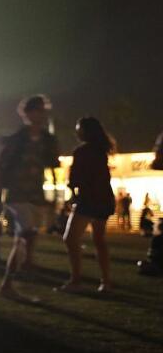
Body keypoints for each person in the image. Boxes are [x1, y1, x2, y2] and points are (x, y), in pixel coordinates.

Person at [0, 94, 60, 302]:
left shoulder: (47, 140)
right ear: (28, 113)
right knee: (25, 234)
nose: (41, 115)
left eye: (43, 111)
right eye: (37, 110)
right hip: (17, 195)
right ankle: (16, 275)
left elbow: (51, 167)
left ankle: (13, 279)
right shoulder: (15, 140)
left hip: (35, 195)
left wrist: (54, 195)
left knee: (25, 239)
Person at [57, 117, 116, 293]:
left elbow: (75, 178)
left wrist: (72, 192)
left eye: (78, 128)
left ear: (85, 131)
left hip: (88, 200)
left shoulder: (82, 152)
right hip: (104, 199)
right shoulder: (101, 150)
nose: (76, 132)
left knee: (71, 238)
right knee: (99, 240)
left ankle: (76, 280)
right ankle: (105, 281)